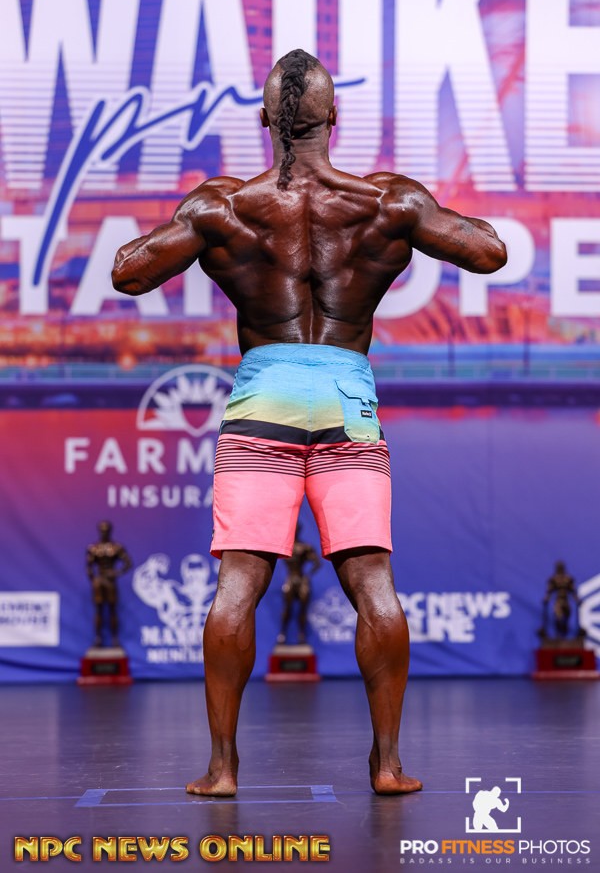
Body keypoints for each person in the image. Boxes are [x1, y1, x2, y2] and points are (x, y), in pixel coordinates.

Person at [112, 49, 506, 797]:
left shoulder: (225, 207)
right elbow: (490, 251)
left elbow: (128, 272)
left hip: (264, 396)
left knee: (238, 584)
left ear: (265, 119)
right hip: (347, 398)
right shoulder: (387, 201)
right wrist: (416, 211)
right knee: (373, 581)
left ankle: (223, 769)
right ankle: (387, 765)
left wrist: (195, 222)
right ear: (334, 117)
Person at [86, 520, 132, 647]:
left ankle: (115, 639)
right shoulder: (94, 548)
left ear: (110, 531)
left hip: (110, 581)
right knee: (98, 611)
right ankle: (98, 638)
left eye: (106, 530)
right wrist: (93, 579)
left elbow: (128, 563)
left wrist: (116, 572)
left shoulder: (116, 547)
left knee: (112, 610)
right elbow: (89, 567)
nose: (104, 533)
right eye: (102, 530)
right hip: (99, 580)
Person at [277, 524, 320, 645]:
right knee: (287, 608)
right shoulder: (285, 547)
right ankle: (282, 633)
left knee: (303, 609)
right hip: (290, 578)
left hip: (301, 579)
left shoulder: (305, 547)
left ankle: (302, 634)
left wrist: (308, 576)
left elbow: (317, 563)